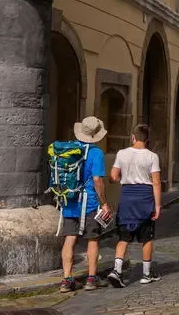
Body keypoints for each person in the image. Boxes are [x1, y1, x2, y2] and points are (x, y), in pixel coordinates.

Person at [59, 116, 111, 292]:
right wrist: (104, 203)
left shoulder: (69, 149)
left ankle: (67, 280)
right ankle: (91, 278)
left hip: (70, 200)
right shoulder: (96, 153)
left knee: (70, 238)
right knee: (92, 238)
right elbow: (97, 180)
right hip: (89, 203)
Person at [107, 124, 162, 288]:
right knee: (147, 237)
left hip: (127, 196)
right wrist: (157, 205)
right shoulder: (152, 156)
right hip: (145, 197)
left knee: (123, 236)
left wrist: (121, 177)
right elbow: (156, 182)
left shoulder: (122, 153)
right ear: (147, 139)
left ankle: (117, 270)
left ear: (133, 137)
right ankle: (146, 274)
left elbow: (113, 177)